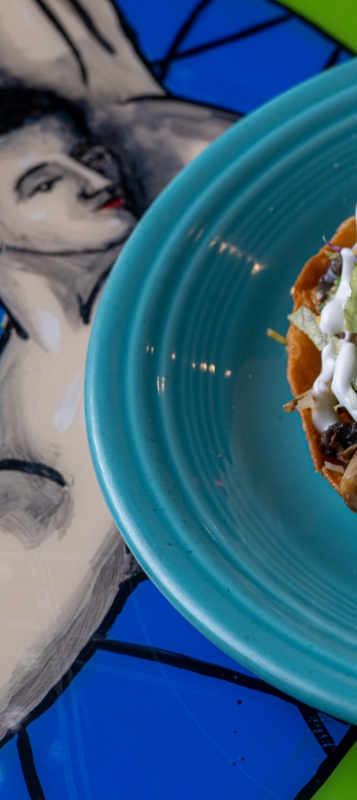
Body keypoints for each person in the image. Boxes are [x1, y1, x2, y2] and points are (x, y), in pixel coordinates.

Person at [0, 86, 139, 736]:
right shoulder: (22, 383)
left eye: (89, 156)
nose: (94, 180)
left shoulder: (136, 306)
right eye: (45, 181)